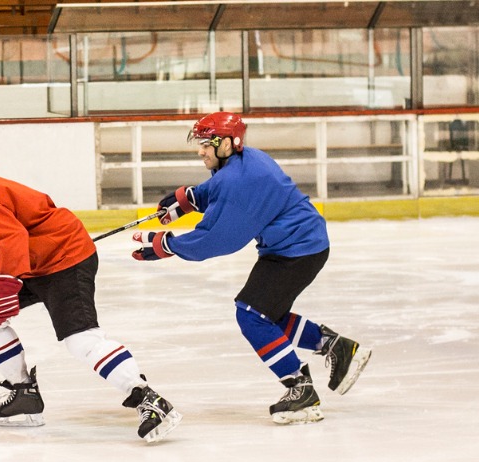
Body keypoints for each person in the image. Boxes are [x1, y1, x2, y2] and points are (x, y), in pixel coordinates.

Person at [0, 144, 181, 442]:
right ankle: (24, 393)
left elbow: (12, 237)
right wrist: (7, 282)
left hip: (65, 259)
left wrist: (7, 283)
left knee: (81, 340)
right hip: (41, 261)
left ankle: (149, 399)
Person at [131, 111, 372, 424]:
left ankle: (300, 388)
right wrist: (189, 199)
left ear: (230, 143)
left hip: (297, 251)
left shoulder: (237, 179)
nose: (200, 151)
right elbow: (219, 190)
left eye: (207, 144)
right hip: (298, 245)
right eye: (201, 143)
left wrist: (168, 245)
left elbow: (217, 239)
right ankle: (336, 347)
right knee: (265, 313)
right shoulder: (245, 160)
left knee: (252, 315)